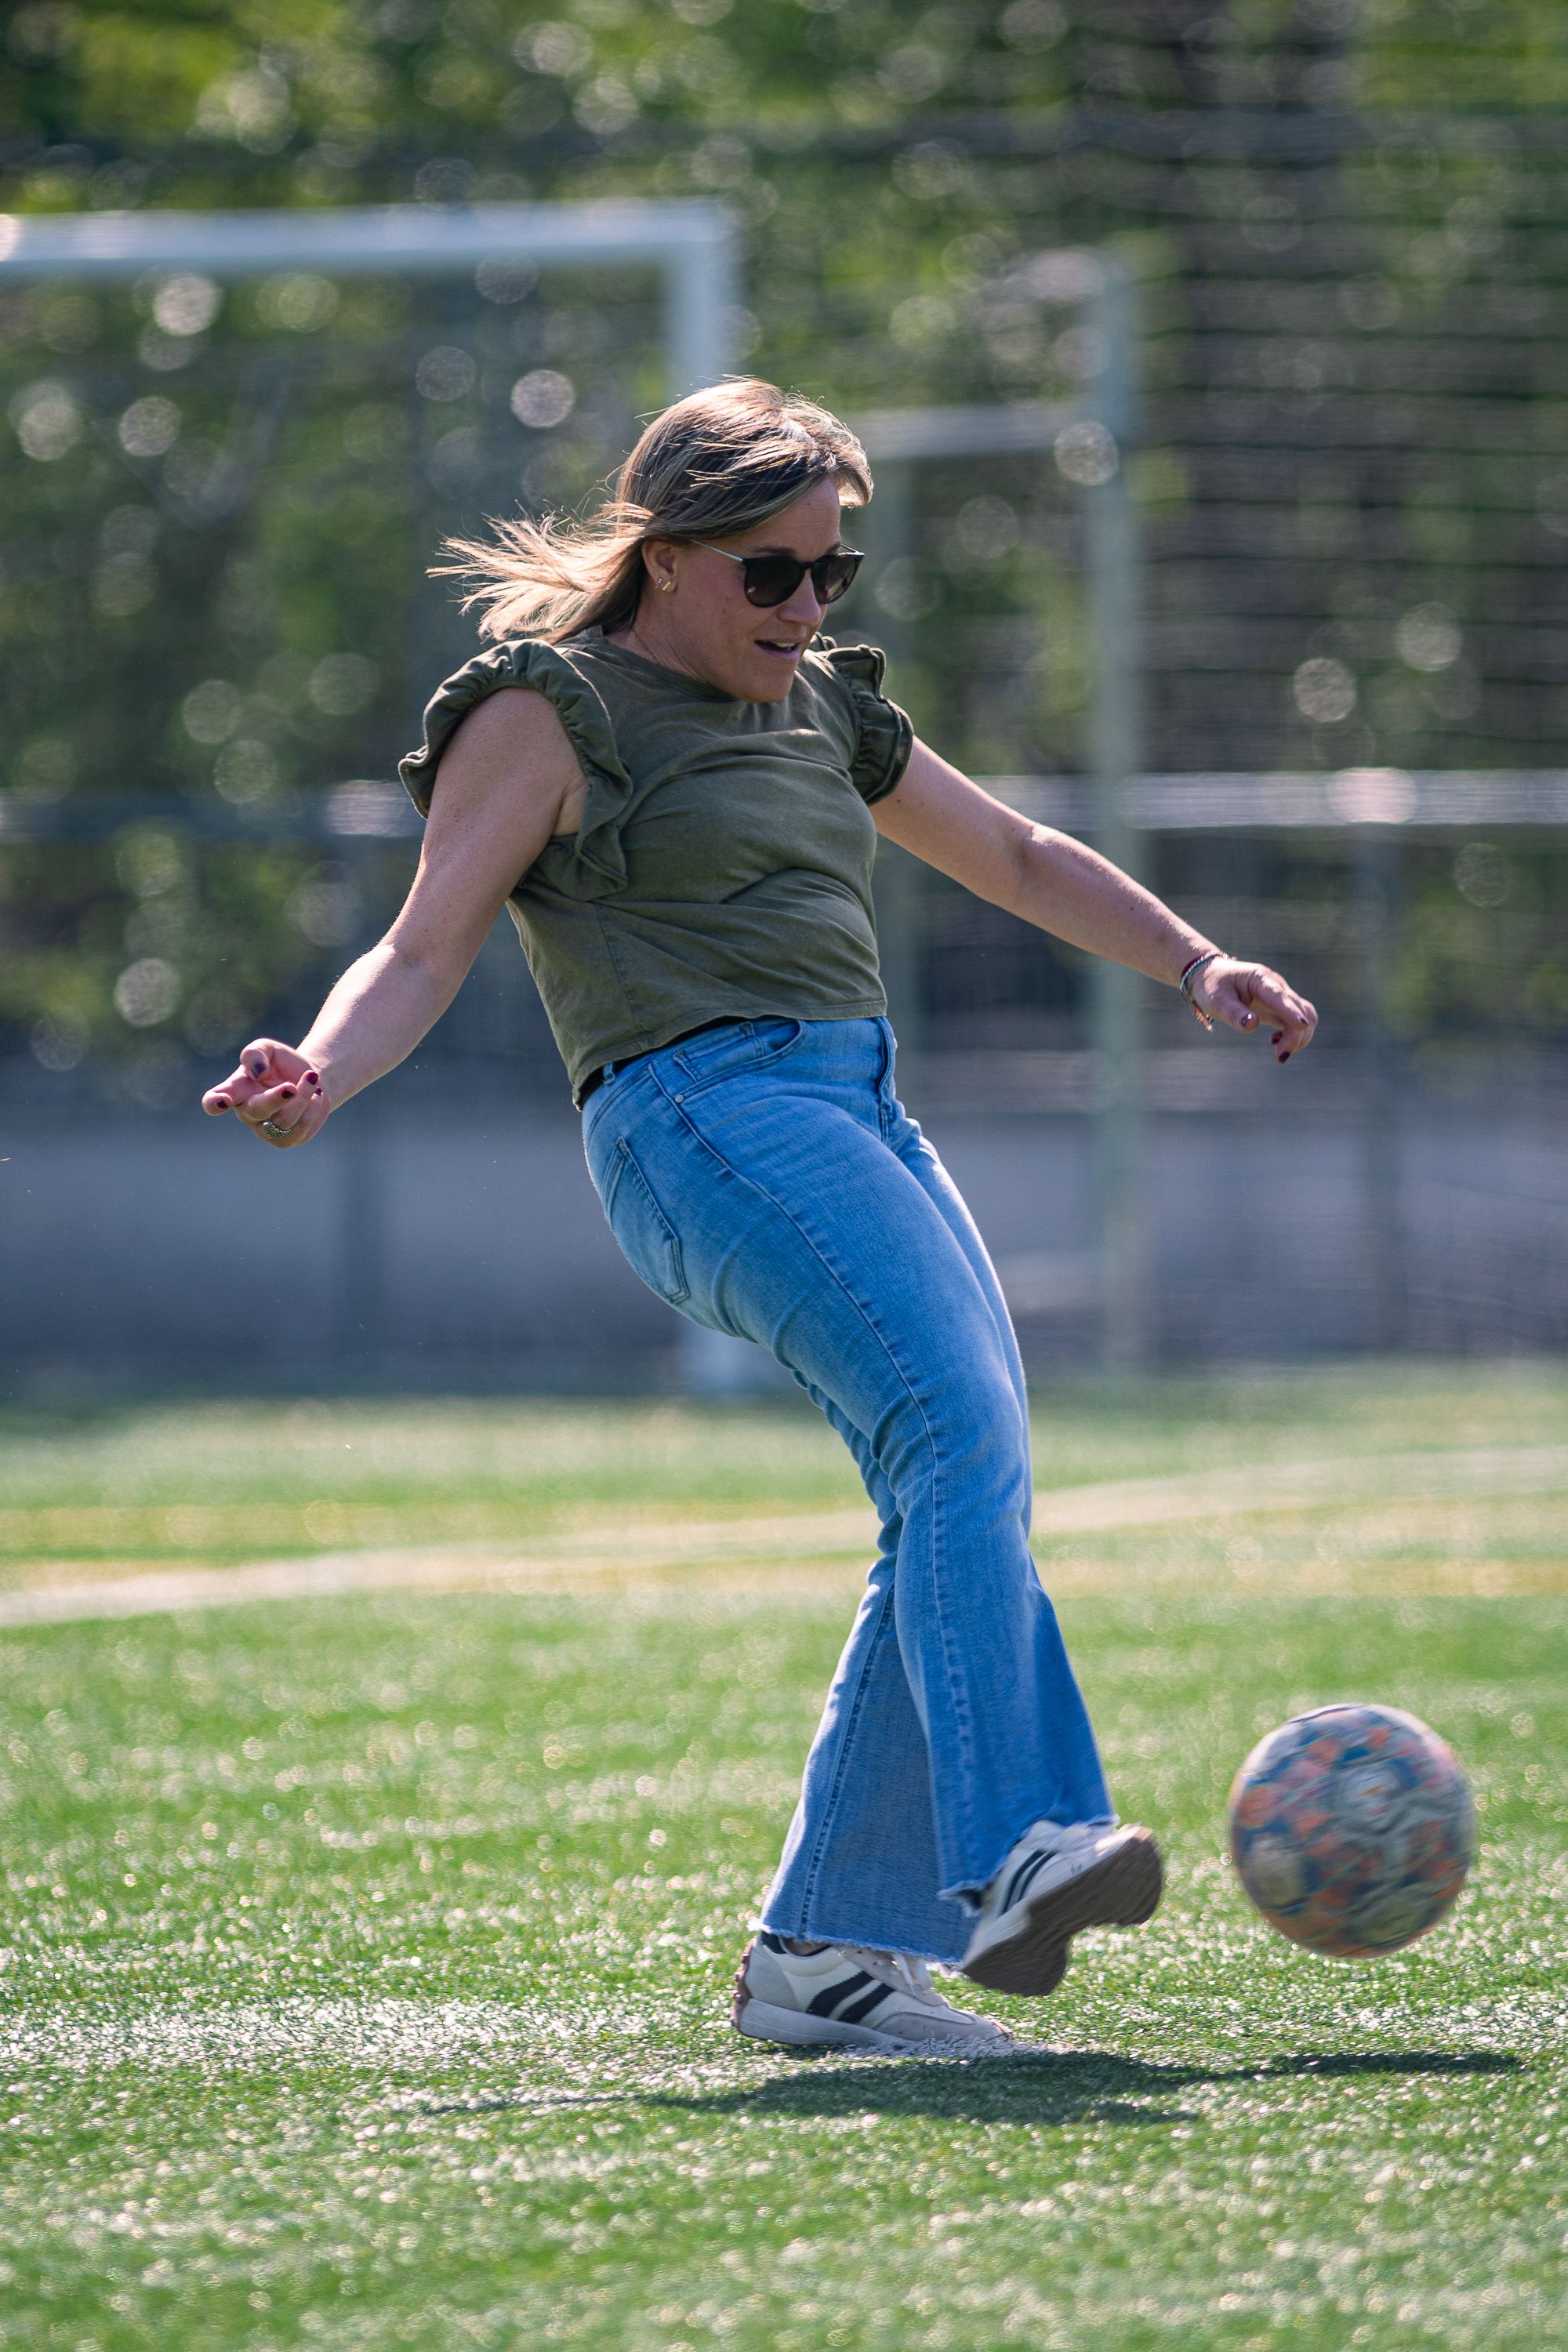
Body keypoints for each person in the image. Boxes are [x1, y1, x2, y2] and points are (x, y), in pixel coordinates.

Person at [203, 379, 1317, 2058]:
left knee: (965, 1469)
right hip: (700, 1115)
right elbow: (423, 945)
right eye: (771, 572)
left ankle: (826, 1959)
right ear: (667, 556)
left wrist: (1195, 962)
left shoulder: (824, 709)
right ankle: (1018, 1841)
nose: (805, 605)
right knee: (954, 1432)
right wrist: (322, 1070)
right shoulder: (550, 708)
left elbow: (1016, 854)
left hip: (858, 1107)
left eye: (830, 572)